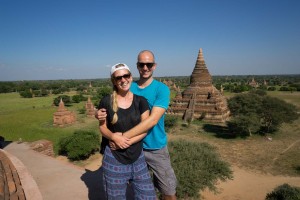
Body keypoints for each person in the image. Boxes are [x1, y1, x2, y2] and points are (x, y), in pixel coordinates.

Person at [97, 50, 177, 200]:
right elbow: (110, 108)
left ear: (154, 66)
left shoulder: (161, 89)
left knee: (168, 190)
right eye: (142, 64)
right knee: (130, 189)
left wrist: (120, 139)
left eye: (149, 64)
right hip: (132, 150)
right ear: (137, 66)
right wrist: (98, 114)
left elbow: (152, 121)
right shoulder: (127, 86)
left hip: (154, 147)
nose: (145, 67)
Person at [98, 63, 156, 200]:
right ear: (114, 81)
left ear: (131, 77)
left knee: (147, 196)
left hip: (138, 157)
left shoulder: (141, 101)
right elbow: (102, 127)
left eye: (126, 76)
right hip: (114, 158)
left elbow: (145, 128)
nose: (123, 80)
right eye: (119, 78)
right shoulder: (106, 101)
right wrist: (113, 137)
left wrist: (123, 141)